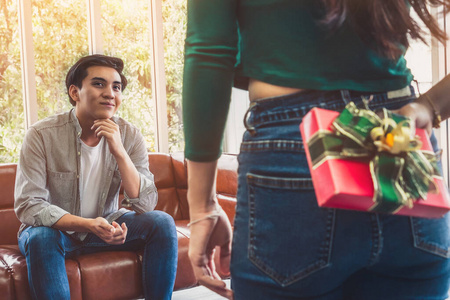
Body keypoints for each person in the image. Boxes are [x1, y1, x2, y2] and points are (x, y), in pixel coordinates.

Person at [182, 1, 450, 299]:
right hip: (397, 140)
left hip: (295, 148)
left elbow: (209, 52)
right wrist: (431, 105)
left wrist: (203, 206)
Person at [14, 54, 178, 300]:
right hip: (58, 232)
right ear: (75, 92)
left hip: (105, 225)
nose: (110, 93)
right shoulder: (41, 135)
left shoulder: (129, 135)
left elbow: (145, 204)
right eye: (99, 84)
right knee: (41, 237)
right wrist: (88, 224)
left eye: (117, 87)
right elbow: (29, 205)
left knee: (162, 222)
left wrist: (119, 151)